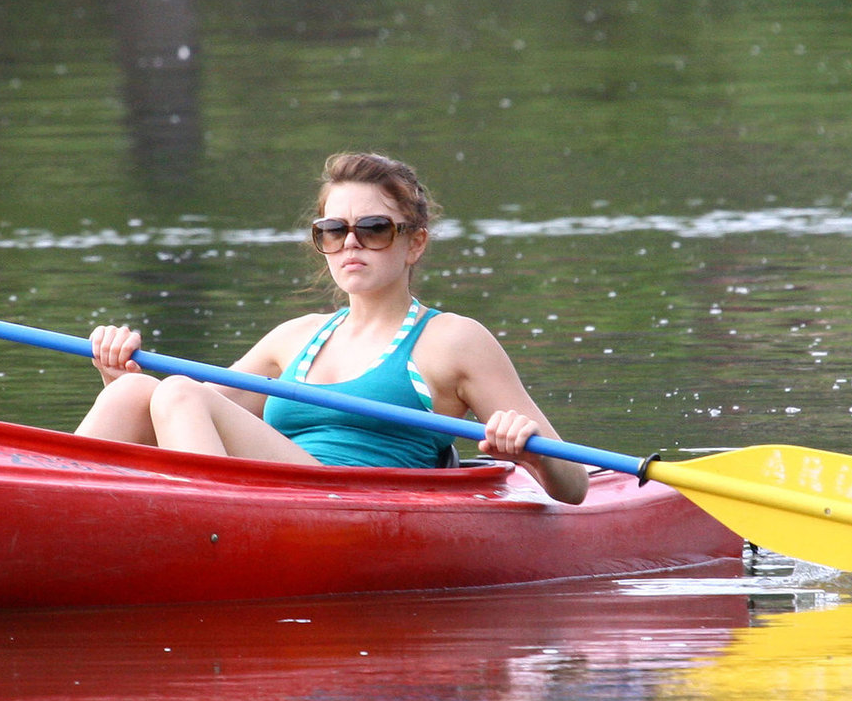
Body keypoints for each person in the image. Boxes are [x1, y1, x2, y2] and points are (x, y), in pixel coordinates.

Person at [74, 152, 589, 504]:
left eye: (374, 229)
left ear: (415, 243)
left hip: (358, 512)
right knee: (138, 391)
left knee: (178, 392)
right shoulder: (292, 338)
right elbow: (168, 422)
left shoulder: (453, 340)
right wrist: (115, 373)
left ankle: (206, 531)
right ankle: (58, 504)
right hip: (280, 502)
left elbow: (574, 485)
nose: (351, 243)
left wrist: (531, 453)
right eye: (333, 230)